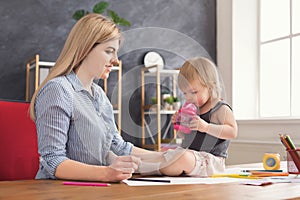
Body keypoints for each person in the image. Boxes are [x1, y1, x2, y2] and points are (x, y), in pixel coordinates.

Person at [29, 13, 154, 182]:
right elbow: (53, 160)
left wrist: (167, 158)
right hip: (58, 192)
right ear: (85, 48)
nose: (116, 60)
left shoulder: (100, 95)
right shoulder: (58, 90)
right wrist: (106, 173)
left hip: (93, 190)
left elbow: (118, 147)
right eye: (109, 51)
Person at [136, 57, 238, 177]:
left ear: (211, 87)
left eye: (194, 92)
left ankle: (146, 168)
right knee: (167, 154)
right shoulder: (193, 110)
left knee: (181, 158)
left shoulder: (220, 108)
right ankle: (133, 163)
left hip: (210, 160)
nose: (189, 97)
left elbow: (232, 132)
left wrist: (206, 127)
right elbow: (184, 136)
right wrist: (179, 126)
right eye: (185, 93)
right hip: (190, 155)